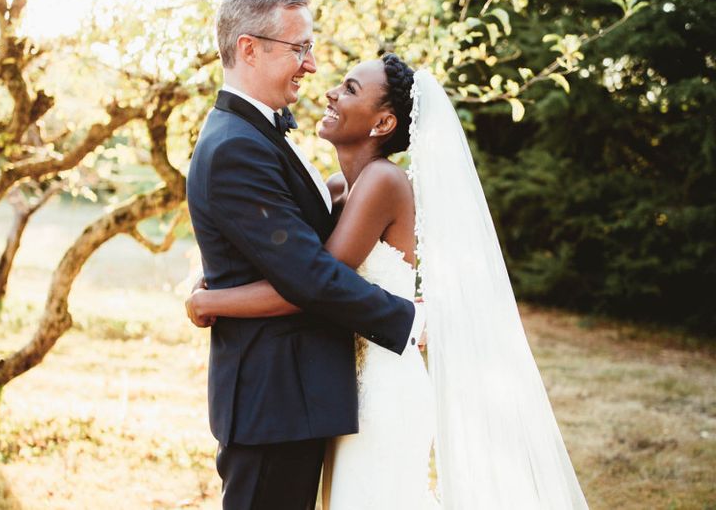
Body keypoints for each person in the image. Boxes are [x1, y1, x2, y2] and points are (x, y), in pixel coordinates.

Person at [188, 51, 590, 509]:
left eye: (351, 90)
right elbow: (285, 253)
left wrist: (213, 302)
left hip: (383, 388)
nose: (332, 93)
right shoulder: (338, 188)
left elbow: (312, 282)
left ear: (382, 124)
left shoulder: (382, 182)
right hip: (343, 385)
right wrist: (214, 274)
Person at [184, 0, 425, 510]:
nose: (312, 66)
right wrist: (411, 320)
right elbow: (309, 274)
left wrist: (213, 296)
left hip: (295, 399)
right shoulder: (236, 147)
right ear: (250, 48)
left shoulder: (257, 136)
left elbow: (294, 255)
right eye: (300, 49)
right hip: (276, 402)